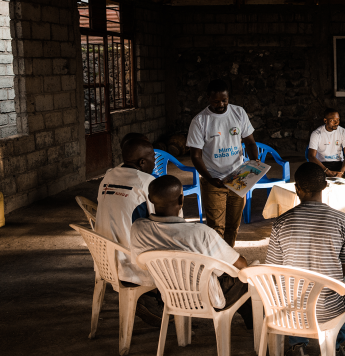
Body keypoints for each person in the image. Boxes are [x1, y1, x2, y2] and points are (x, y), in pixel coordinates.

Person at [130, 175, 253, 330]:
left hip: (171, 297)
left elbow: (140, 264)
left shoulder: (138, 228)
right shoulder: (201, 233)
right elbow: (241, 263)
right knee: (247, 276)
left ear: (150, 199)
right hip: (208, 299)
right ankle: (255, 325)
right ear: (181, 200)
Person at [266, 163, 345, 356]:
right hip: (328, 310)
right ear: (325, 186)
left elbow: (274, 269)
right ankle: (334, 345)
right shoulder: (342, 221)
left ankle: (297, 345)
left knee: (292, 288)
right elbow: (343, 266)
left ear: (296, 188)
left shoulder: (281, 222)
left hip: (291, 313)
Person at [94, 138, 162, 326]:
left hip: (104, 257)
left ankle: (149, 296)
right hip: (129, 261)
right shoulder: (147, 182)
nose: (154, 162)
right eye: (153, 159)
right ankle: (158, 298)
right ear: (142, 162)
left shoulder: (108, 175)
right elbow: (163, 219)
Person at [187, 79, 259, 247]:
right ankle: (218, 267)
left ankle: (228, 261)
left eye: (224, 100)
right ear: (208, 99)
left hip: (238, 176)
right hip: (214, 179)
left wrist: (254, 162)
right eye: (216, 101)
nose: (221, 104)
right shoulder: (200, 121)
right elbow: (196, 156)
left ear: (228, 97)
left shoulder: (238, 113)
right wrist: (209, 178)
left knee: (233, 225)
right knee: (216, 227)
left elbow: (250, 142)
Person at [308, 108, 345, 183]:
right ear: (325, 121)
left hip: (338, 163)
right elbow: (311, 156)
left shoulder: (343, 132)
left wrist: (341, 172)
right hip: (322, 164)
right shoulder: (316, 133)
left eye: (338, 119)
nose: (336, 122)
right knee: (314, 178)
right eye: (333, 120)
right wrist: (327, 171)